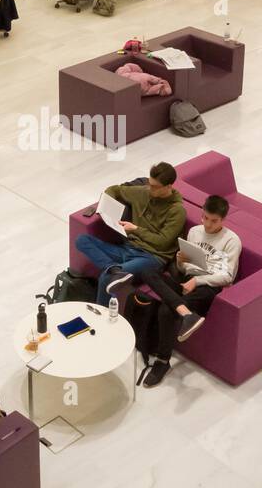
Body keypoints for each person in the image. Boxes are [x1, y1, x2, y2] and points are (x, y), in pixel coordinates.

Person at [129, 196, 242, 388]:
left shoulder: (231, 241)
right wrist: (180, 261)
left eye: (214, 221)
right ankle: (186, 313)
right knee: (147, 271)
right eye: (205, 218)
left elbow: (228, 277)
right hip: (185, 280)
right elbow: (183, 268)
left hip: (208, 287)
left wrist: (197, 281)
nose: (207, 224)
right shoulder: (194, 232)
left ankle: (162, 363)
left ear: (223, 220)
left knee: (166, 309)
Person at [74, 162, 187, 306]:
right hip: (127, 248)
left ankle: (101, 317)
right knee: (82, 240)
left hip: (151, 257)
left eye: (155, 186)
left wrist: (135, 229)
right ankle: (113, 268)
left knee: (107, 278)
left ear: (169, 186)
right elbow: (114, 190)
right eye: (149, 183)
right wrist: (107, 208)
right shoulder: (143, 192)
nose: (150, 188)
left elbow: (163, 241)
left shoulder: (177, 211)